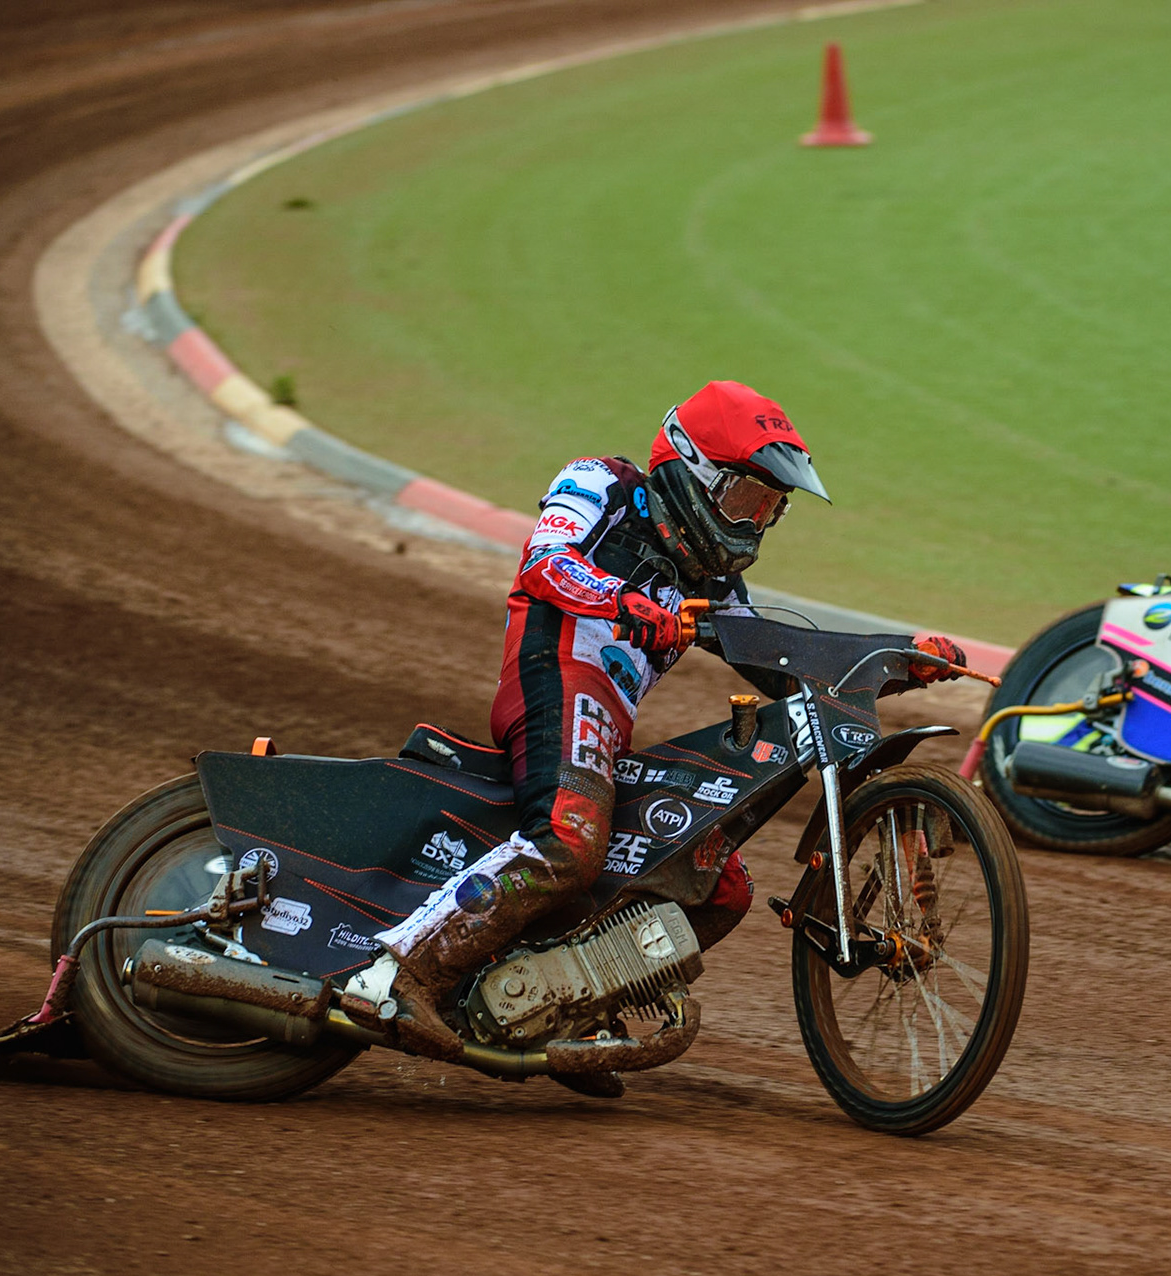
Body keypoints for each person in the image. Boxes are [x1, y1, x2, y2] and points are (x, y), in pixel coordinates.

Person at [345, 380, 967, 1084]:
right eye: (744, 499)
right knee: (570, 844)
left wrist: (895, 660)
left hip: (610, 721)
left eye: (771, 507)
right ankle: (396, 973)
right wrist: (626, 602)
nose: (755, 521)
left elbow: (782, 662)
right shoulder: (599, 482)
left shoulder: (713, 581)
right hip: (556, 678)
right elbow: (543, 564)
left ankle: (566, 1010)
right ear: (691, 469)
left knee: (718, 886)